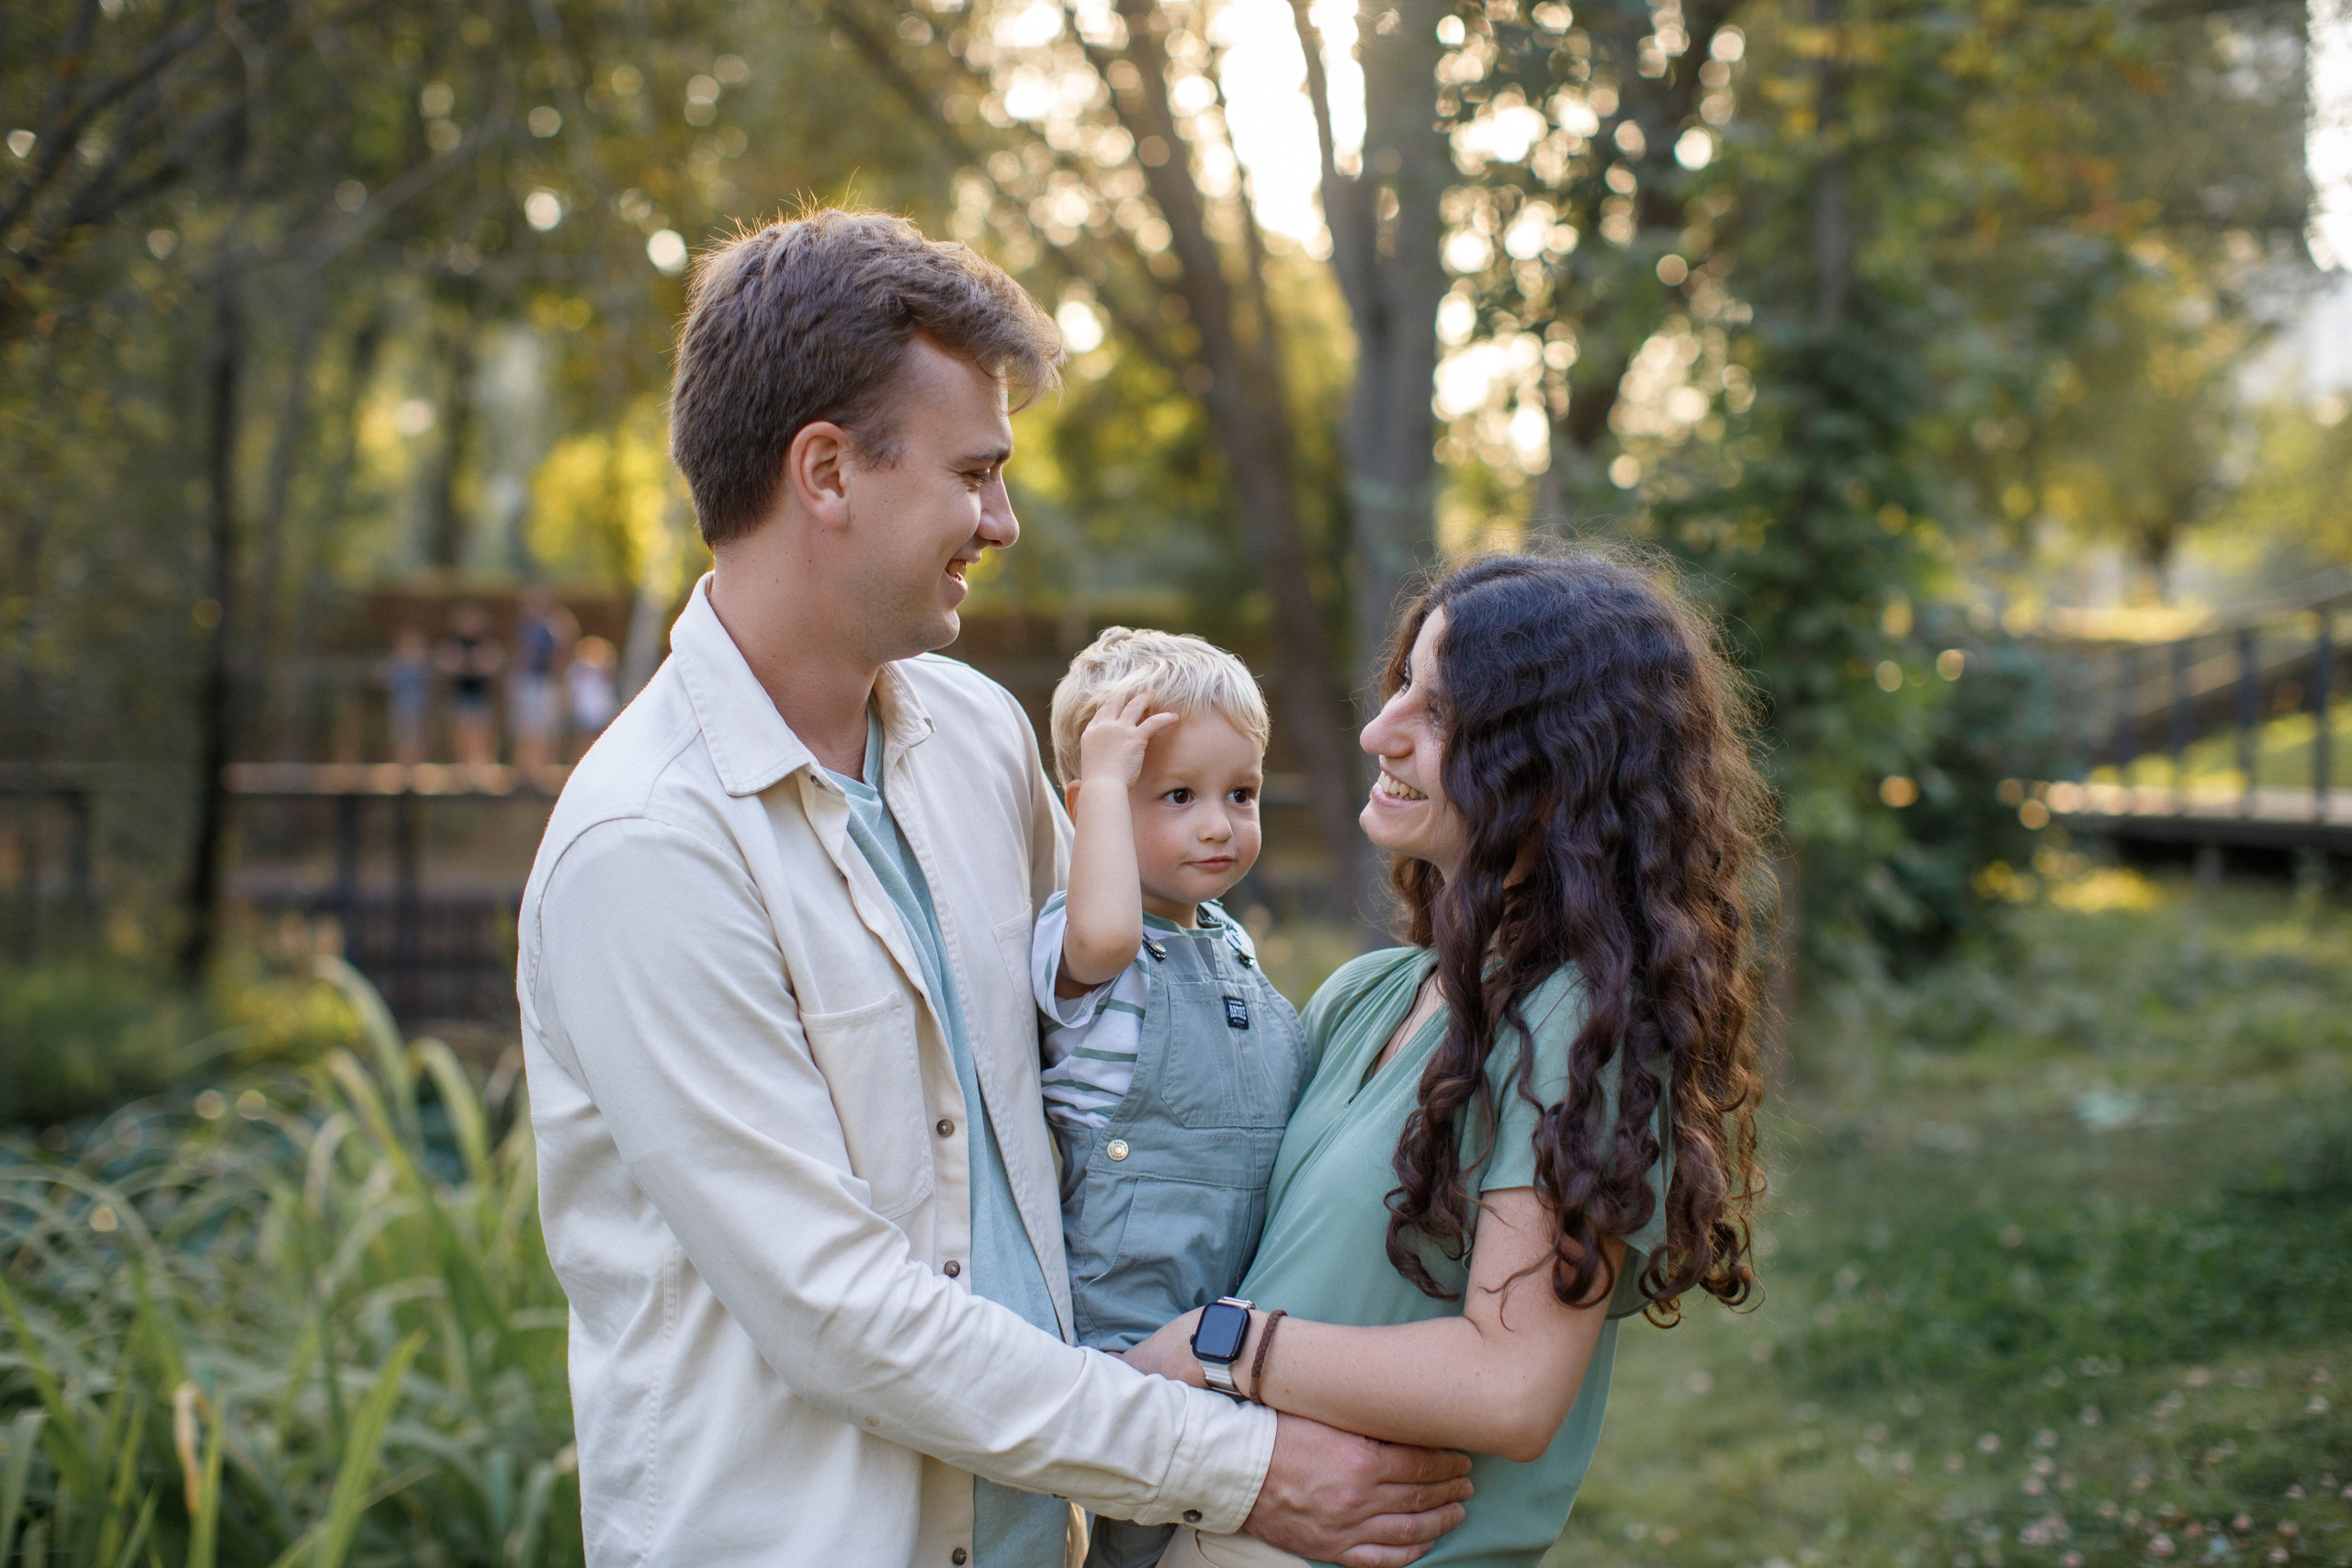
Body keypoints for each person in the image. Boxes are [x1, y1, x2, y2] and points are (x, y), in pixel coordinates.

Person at [515, 209, 1470, 1568]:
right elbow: (842, 1309)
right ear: (829, 472)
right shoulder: (649, 850)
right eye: (976, 472)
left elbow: (1111, 1047)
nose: (1002, 521)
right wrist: (1242, 1465)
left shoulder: (970, 734)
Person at [1126, 551, 1772, 1568]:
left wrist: (1217, 1346)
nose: (1379, 731)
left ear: (1553, 766)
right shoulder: (1367, 996)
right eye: (1399, 690)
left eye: (1437, 715)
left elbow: (1507, 1386)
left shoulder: (1575, 1027)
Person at [1030, 628, 1314, 1568]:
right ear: (1094, 811)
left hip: (1229, 1321)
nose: (1219, 825)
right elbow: (1106, 936)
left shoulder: (1228, 945)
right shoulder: (1088, 946)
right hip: (1120, 1334)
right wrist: (1103, 785)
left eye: (1241, 793)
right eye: (1177, 796)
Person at [511, 586, 575, 776]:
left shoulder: (554, 627)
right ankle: (525, 769)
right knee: (527, 727)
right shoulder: (523, 628)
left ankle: (540, 769)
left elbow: (561, 655)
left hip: (544, 681)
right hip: (528, 681)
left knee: (543, 727)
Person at [438, 603, 503, 768]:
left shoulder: (486, 642)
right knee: (461, 733)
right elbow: (444, 663)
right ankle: (463, 766)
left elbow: (495, 663)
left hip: (480, 695)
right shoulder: (453, 642)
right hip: (460, 694)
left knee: (480, 732)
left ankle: (479, 766)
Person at [379, 627, 433, 766]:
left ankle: (415, 767)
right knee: (399, 738)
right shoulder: (395, 664)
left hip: (419, 709)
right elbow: (382, 679)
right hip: (399, 708)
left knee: (417, 739)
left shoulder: (424, 666)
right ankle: (401, 767)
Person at [564, 634, 619, 759]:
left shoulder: (605, 670)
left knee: (598, 742)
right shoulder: (577, 669)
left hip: (600, 713)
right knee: (582, 741)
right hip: (583, 713)